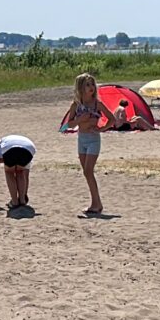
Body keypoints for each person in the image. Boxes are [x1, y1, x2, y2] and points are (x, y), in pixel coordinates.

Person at [59, 73, 105, 216]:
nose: (91, 87)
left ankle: (96, 204)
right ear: (80, 87)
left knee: (88, 170)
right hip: (81, 139)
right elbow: (66, 126)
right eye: (87, 85)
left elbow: (111, 119)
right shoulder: (76, 104)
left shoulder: (97, 104)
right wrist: (80, 120)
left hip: (93, 139)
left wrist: (101, 128)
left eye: (92, 84)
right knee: (86, 172)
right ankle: (96, 203)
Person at [0, 133, 35, 212]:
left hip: (10, 149)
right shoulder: (21, 139)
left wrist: (8, 161)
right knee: (20, 172)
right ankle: (22, 200)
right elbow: (26, 171)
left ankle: (14, 201)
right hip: (29, 148)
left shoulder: (2, 141)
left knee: (9, 172)